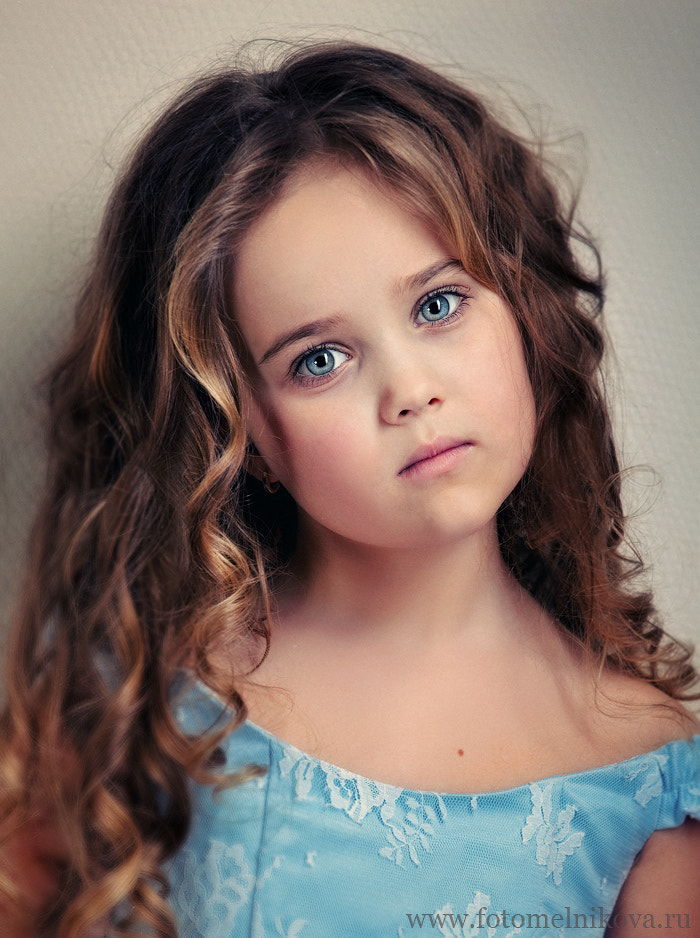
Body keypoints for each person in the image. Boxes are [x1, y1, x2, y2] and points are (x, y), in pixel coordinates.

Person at [0, 40, 698, 938]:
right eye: (319, 359)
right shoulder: (142, 691)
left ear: (523, 310)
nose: (411, 391)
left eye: (437, 305)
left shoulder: (647, 777)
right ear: (242, 432)